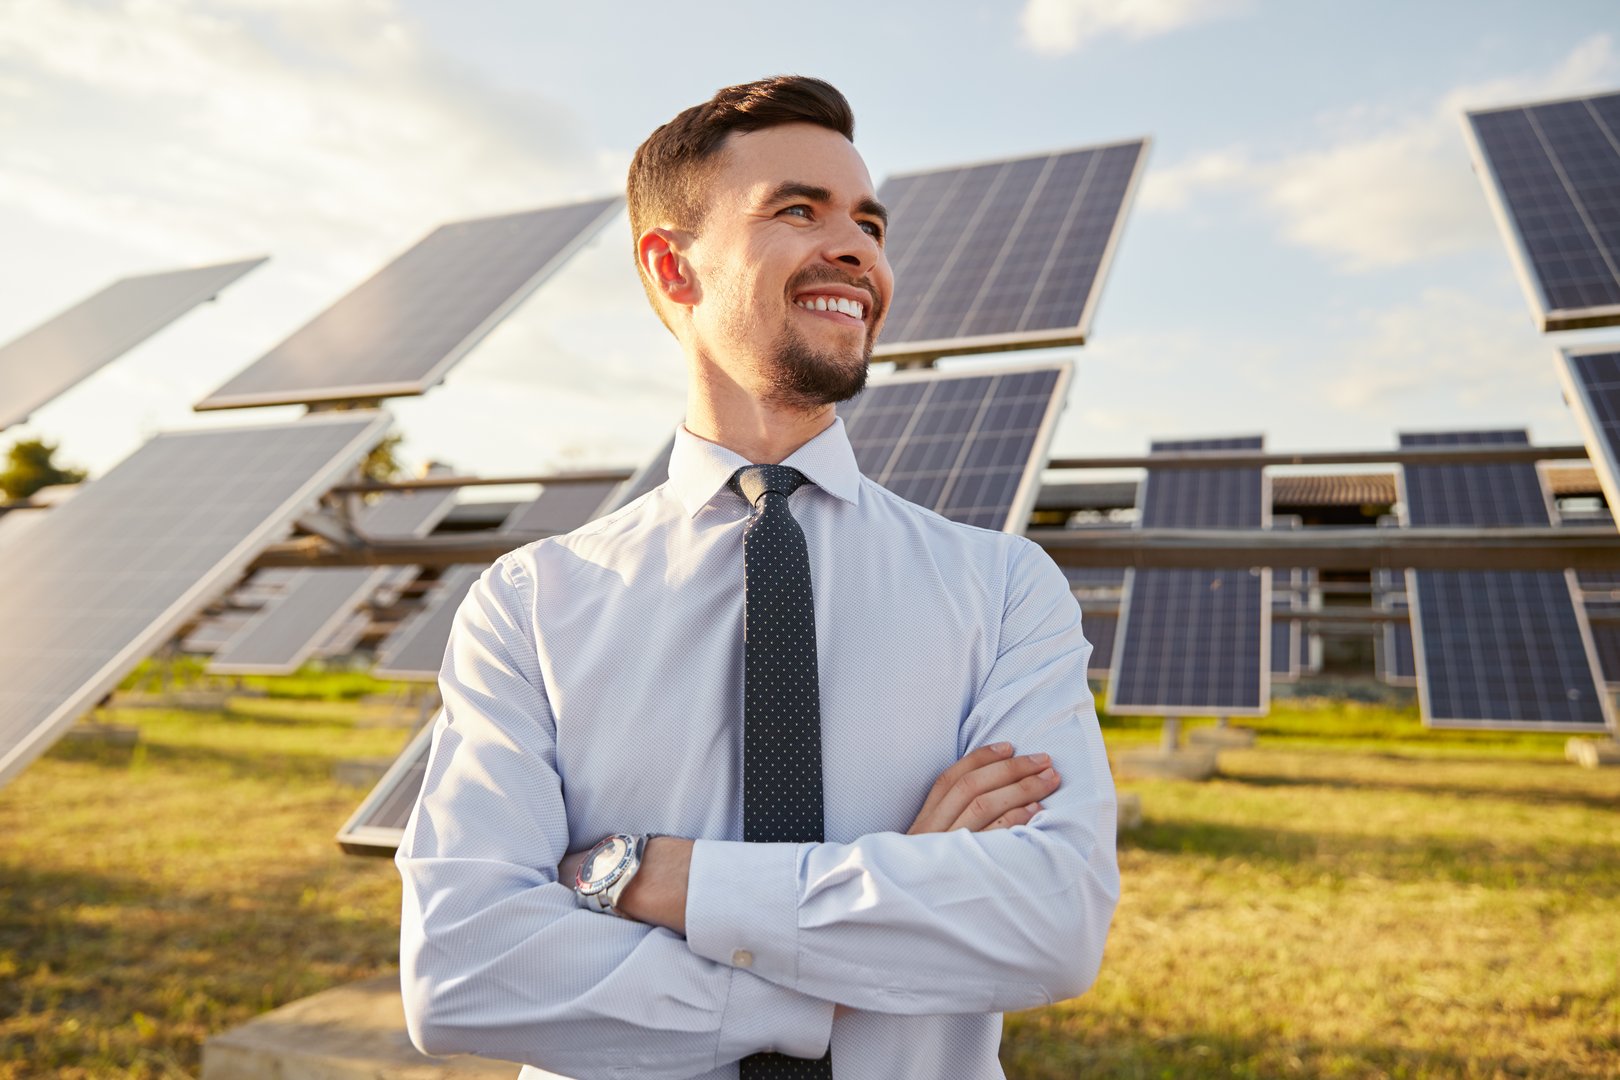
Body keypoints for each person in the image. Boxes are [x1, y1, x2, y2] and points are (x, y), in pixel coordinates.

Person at [396, 75, 1119, 1080]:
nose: (858, 248)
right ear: (672, 267)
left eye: (869, 221)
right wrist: (877, 925)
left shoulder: (1001, 587)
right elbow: (466, 970)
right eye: (797, 210)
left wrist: (656, 881)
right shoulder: (532, 603)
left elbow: (1049, 924)